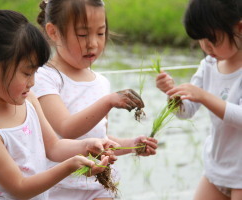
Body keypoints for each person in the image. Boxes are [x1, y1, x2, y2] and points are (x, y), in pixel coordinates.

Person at [0, 10, 119, 200]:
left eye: (36, 72)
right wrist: (70, 166)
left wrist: (88, 145)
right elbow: (20, 189)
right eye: (26, 73)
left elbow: (54, 147)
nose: (33, 82)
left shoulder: (28, 99)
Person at [33, 0, 158, 199]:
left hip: (98, 183)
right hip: (60, 186)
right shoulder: (44, 77)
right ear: (54, 32)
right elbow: (66, 128)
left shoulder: (101, 82)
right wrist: (108, 101)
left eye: (100, 33)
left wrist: (133, 144)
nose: (93, 43)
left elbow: (100, 139)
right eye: (82, 34)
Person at [156, 0, 242, 199]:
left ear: (239, 28)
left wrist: (204, 97)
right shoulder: (209, 65)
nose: (206, 47)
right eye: (201, 40)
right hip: (216, 169)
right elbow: (186, 111)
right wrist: (171, 93)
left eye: (212, 40)